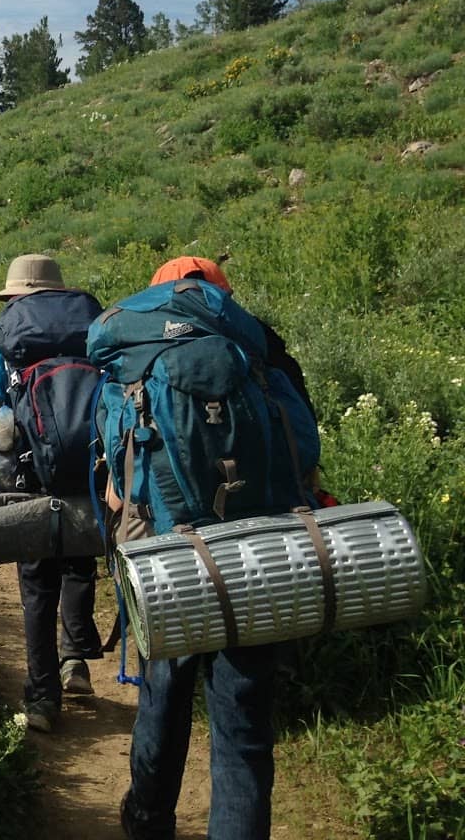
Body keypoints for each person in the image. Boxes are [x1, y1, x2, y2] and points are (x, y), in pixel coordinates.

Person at [114, 255, 313, 840]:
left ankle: (148, 820)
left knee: (163, 698)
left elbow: (113, 480)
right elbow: (304, 445)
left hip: (170, 562)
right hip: (257, 558)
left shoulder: (137, 358)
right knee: (243, 730)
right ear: (224, 300)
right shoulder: (259, 355)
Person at [0, 252, 103, 733]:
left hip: (28, 480)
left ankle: (44, 700)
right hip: (86, 472)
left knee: (37, 585)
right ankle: (76, 661)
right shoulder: (91, 335)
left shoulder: (3, 347)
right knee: (79, 563)